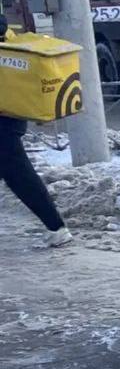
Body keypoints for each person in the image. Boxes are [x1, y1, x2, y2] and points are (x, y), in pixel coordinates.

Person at [0, 19, 71, 247]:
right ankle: (55, 226)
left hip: (4, 115)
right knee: (16, 174)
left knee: (18, 174)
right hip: (9, 111)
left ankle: (56, 227)